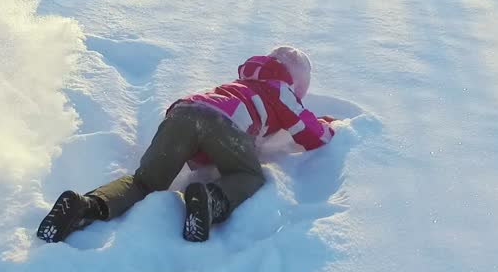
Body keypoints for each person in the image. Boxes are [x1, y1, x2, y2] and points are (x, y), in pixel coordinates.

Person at [38, 46, 336, 244]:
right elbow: (313, 136)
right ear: (297, 83)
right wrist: (330, 126)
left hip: (183, 112)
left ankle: (86, 205)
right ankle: (211, 201)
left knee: (145, 181)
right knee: (250, 175)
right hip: (223, 124)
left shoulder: (240, 85)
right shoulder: (280, 89)